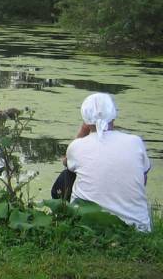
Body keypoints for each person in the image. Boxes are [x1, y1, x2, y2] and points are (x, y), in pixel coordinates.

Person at [55, 93, 153, 232]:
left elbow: (66, 162)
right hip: (138, 229)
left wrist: (83, 132)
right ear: (113, 115)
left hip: (87, 228)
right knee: (140, 172)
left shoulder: (77, 146)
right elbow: (144, 175)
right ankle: (132, 213)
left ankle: (66, 218)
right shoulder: (135, 141)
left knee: (67, 174)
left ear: (85, 120)